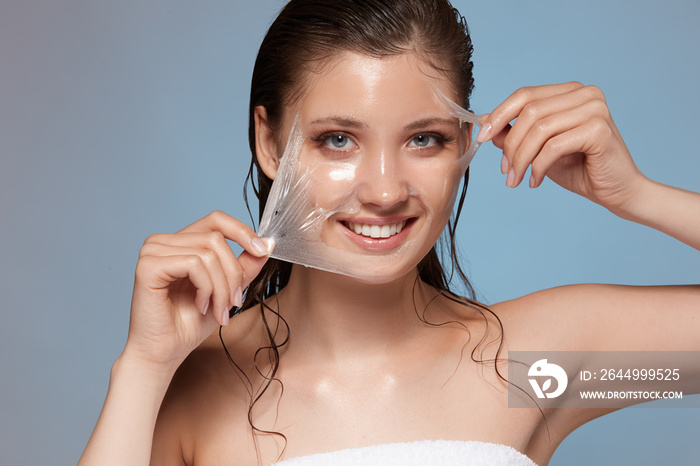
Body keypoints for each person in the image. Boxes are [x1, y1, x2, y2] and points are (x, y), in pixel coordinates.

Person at [79, 0, 700, 464]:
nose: (383, 190)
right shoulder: (193, 383)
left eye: (423, 138)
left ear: (464, 143)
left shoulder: (540, 367)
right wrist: (142, 367)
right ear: (270, 143)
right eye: (338, 139)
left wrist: (640, 196)